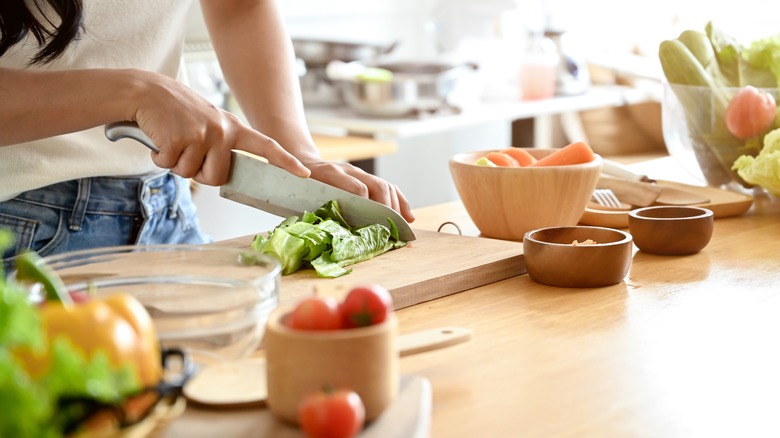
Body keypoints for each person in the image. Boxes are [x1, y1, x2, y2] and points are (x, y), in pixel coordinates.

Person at [0, 0, 415, 273]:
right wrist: (134, 93)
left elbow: (239, 8)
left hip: (167, 209)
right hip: (22, 239)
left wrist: (300, 157)